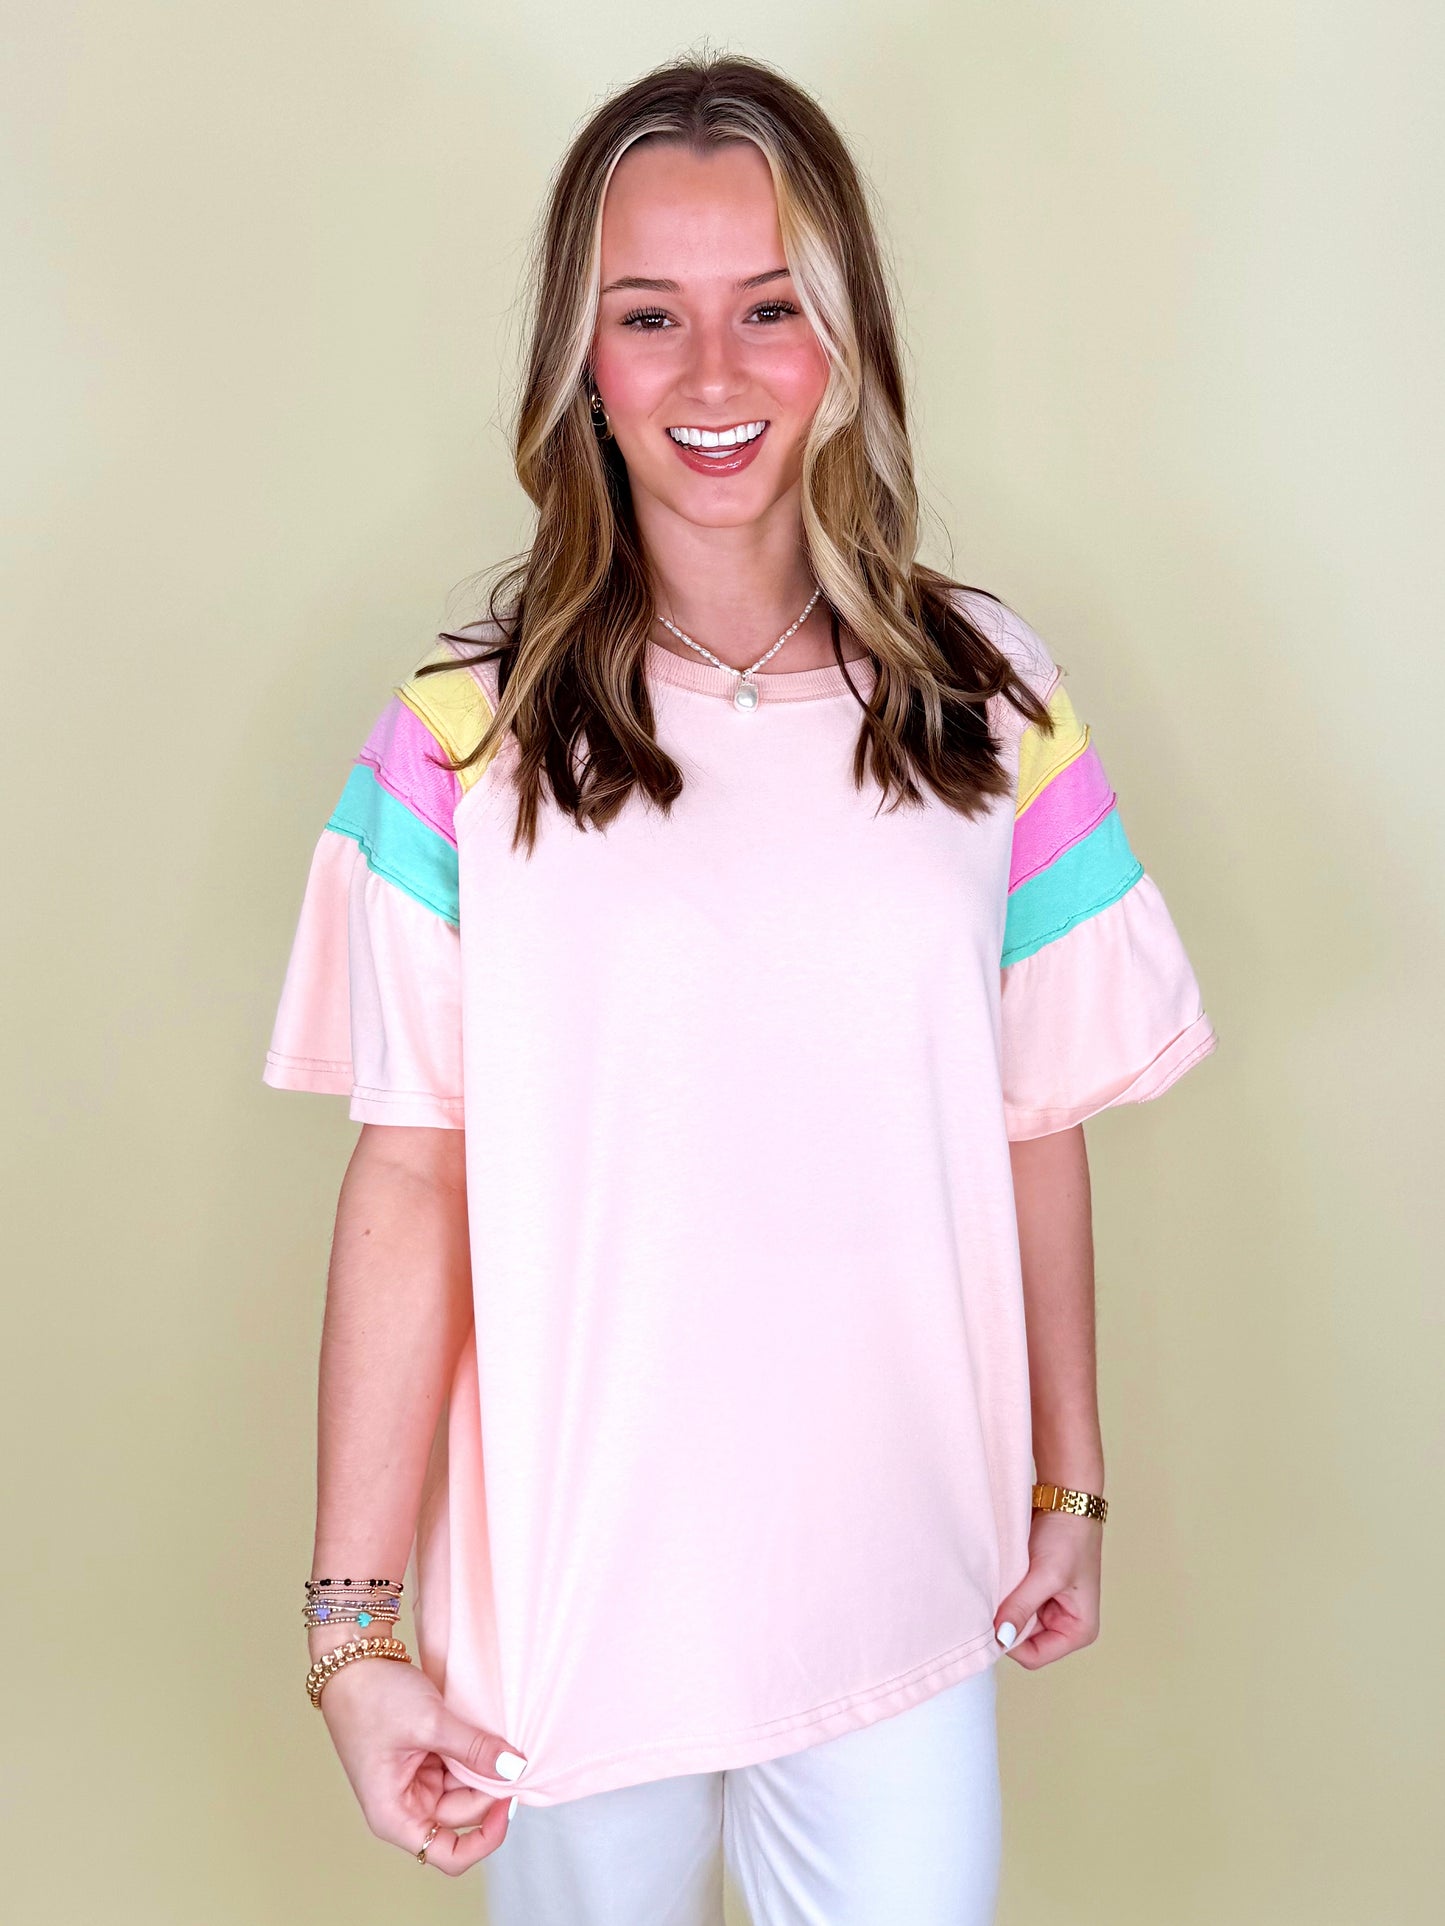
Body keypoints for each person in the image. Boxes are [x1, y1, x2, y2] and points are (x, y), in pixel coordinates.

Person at [261, 52, 1218, 1926]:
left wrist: (1069, 1487)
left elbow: (1031, 1117)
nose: (712, 374)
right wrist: (354, 1634)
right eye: (649, 316)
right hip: (568, 1604)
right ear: (581, 358)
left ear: (844, 338)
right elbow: (410, 1178)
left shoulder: (987, 698)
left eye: (769, 307)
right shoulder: (459, 737)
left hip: (900, 1579)